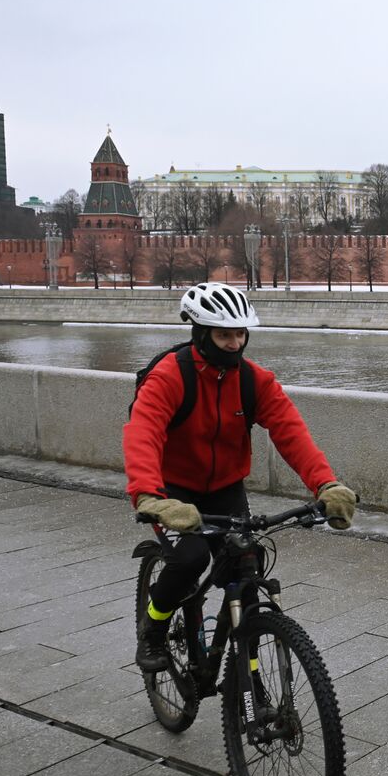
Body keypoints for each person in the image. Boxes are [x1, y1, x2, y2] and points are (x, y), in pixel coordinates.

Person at [123, 282, 358, 672]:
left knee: (248, 560)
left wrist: (326, 484)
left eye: (240, 334)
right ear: (200, 333)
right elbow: (142, 433)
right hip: (173, 491)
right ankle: (154, 627)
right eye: (223, 335)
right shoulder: (169, 377)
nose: (234, 344)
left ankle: (243, 642)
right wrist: (149, 496)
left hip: (225, 488)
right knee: (190, 559)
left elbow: (291, 433)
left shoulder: (254, 381)